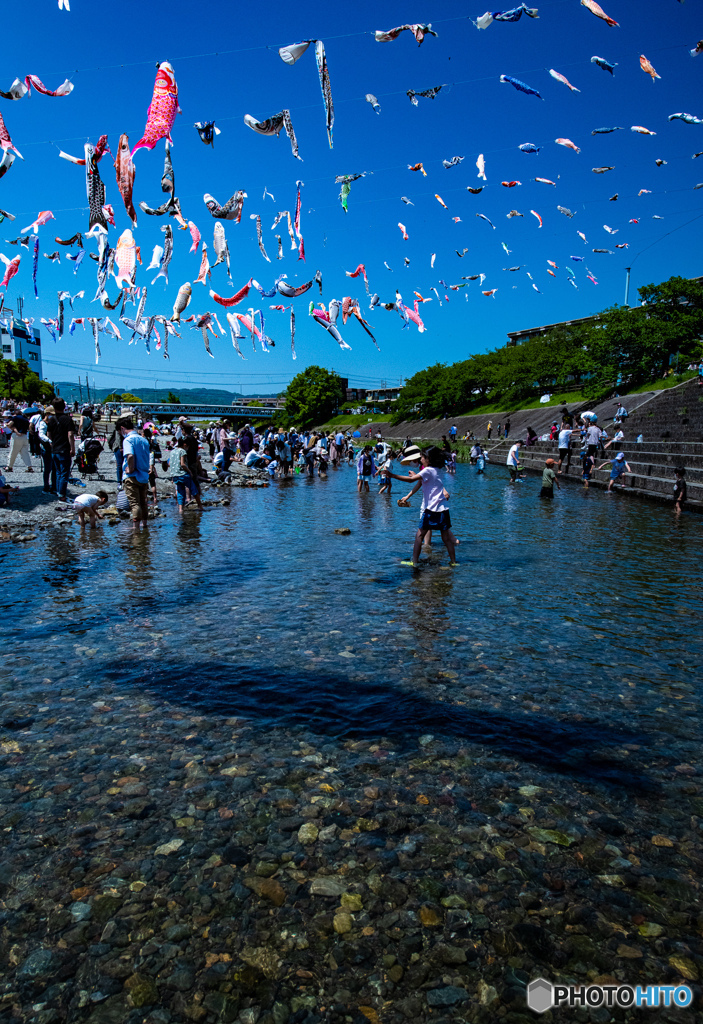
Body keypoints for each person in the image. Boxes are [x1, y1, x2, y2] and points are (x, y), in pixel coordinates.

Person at [386, 446, 457, 568]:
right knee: (446, 538)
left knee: (419, 536)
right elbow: (426, 480)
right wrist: (417, 475)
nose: (421, 459)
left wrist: (392, 475)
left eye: (423, 457)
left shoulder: (427, 470)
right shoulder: (438, 469)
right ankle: (454, 562)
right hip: (443, 509)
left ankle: (414, 561)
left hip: (431, 510)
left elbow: (411, 480)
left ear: (428, 459)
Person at [121, 417, 151, 528]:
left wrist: (131, 468)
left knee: (134, 503)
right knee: (143, 502)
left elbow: (130, 455)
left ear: (122, 428)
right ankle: (145, 525)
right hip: (143, 475)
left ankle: (136, 528)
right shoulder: (144, 440)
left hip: (132, 475)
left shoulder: (128, 440)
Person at [47, 399, 77, 502]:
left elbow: (48, 435)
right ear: (64, 406)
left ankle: (58, 491)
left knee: (58, 472)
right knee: (64, 473)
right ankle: (62, 494)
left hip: (54, 449)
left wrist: (52, 443)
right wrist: (72, 448)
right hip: (64, 448)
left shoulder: (51, 419)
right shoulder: (67, 419)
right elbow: (70, 434)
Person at [169, 438, 204, 512]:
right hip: (183, 474)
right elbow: (182, 464)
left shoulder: (172, 451)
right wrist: (189, 471)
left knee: (180, 492)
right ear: (184, 445)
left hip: (175, 475)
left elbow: (170, 464)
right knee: (194, 490)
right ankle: (200, 507)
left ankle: (180, 509)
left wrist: (172, 477)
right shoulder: (182, 451)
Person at [38, 406, 57, 494]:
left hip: (53, 448)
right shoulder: (42, 423)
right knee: (47, 468)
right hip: (46, 448)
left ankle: (54, 486)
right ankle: (46, 486)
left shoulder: (53, 422)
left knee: (54, 467)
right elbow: (41, 434)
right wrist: (49, 440)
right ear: (47, 414)